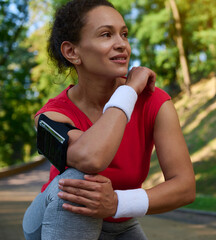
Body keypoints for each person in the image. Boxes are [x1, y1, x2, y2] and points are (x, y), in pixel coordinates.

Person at [22, 0, 196, 239]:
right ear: (72, 52)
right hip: (61, 213)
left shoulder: (155, 102)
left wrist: (116, 203)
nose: (122, 44)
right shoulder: (51, 115)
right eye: (106, 34)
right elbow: (92, 159)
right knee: (80, 180)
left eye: (124, 34)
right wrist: (129, 90)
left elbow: (185, 187)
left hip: (120, 223)